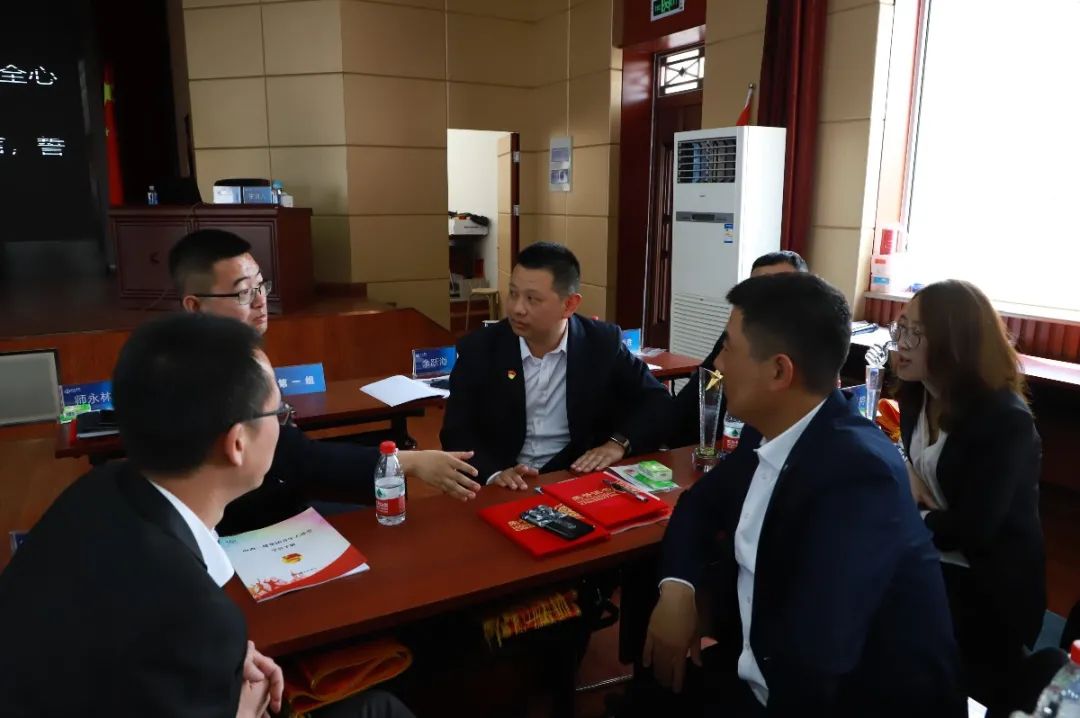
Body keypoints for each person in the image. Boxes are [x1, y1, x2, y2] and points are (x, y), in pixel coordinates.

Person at [0, 314, 413, 718]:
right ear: (237, 443)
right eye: (280, 412)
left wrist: (215, 660)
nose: (285, 424)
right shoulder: (195, 615)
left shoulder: (96, 489)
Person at [641, 273, 964, 717]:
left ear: (779, 371)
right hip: (762, 667)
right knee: (647, 680)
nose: (717, 364)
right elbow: (700, 504)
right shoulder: (769, 431)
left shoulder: (858, 476)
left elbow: (818, 662)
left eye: (728, 348)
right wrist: (679, 589)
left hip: (840, 701)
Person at [168, 229, 481, 534]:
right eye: (242, 292)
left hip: (283, 492)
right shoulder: (204, 378)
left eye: (261, 285)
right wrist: (408, 461)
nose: (260, 300)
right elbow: (294, 458)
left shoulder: (236, 350)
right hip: (249, 523)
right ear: (195, 306)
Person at [893, 279, 1045, 710]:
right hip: (936, 558)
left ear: (953, 343)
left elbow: (974, 532)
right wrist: (906, 473)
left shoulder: (1004, 421)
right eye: (900, 328)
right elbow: (916, 468)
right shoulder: (916, 395)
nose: (900, 343)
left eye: (915, 334)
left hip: (991, 588)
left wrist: (912, 511)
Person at [440, 241, 673, 487]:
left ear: (569, 304)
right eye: (513, 293)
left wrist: (618, 444)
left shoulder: (601, 343)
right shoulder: (480, 348)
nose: (517, 308)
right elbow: (456, 431)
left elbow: (657, 402)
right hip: (505, 480)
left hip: (573, 475)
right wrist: (493, 474)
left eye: (532, 299)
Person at [671, 250, 809, 447]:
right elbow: (696, 399)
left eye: (777, 293)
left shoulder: (811, 352)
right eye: (756, 291)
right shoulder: (735, 340)